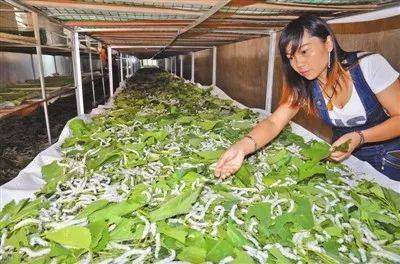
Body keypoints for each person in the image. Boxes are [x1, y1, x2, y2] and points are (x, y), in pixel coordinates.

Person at [214, 15, 400, 181]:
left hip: (391, 158)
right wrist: (242, 147)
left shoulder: (368, 66)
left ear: (328, 44)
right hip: (348, 160)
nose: (299, 64)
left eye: (304, 51)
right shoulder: (304, 84)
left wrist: (359, 137)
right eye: (291, 57)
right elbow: (273, 123)